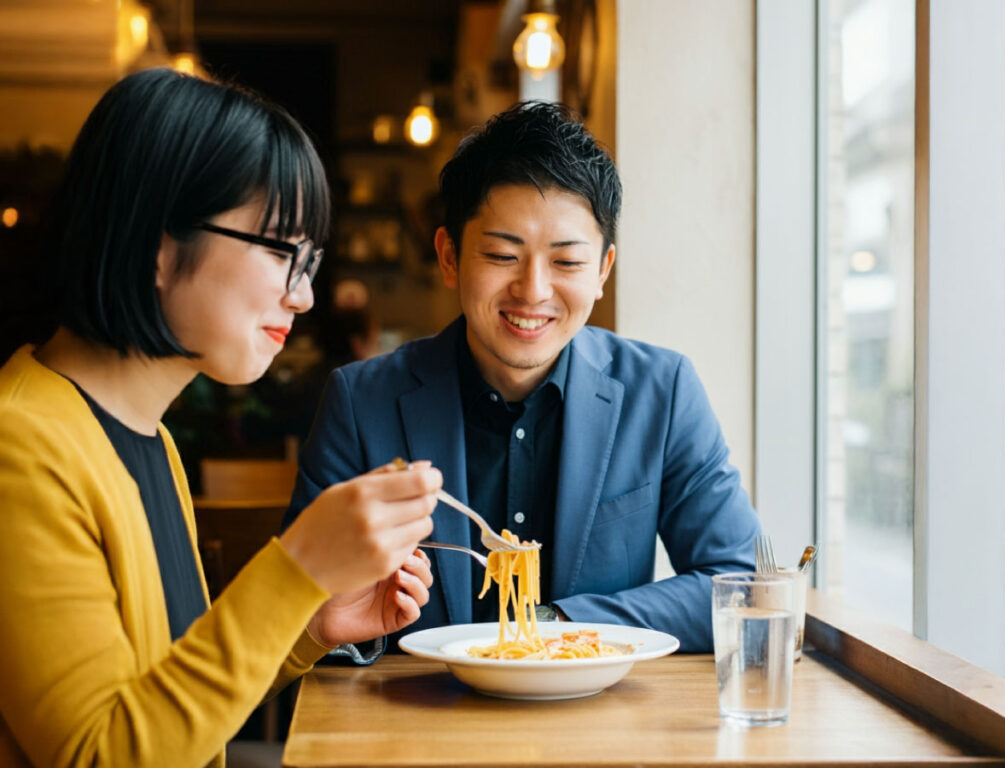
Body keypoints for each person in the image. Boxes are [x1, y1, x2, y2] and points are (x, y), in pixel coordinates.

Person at [0, 68, 442, 768]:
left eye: (311, 261)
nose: (301, 297)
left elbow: (171, 701)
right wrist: (297, 567)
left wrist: (312, 623)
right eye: (278, 251)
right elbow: (101, 754)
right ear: (158, 245)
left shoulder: (150, 438)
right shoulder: (19, 446)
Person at [285, 101, 760, 655]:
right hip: (420, 728)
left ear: (603, 270)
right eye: (502, 254)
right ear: (449, 257)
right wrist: (338, 627)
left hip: (598, 731)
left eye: (566, 262)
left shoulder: (663, 391)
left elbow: (741, 584)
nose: (533, 291)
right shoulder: (361, 401)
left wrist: (555, 623)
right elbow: (296, 615)